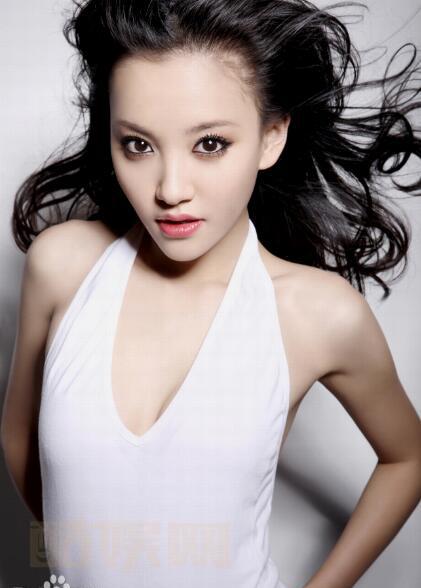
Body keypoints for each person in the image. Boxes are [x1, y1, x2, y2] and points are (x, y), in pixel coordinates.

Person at [2, 0, 421, 587]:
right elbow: (17, 435)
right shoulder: (62, 266)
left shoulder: (316, 314)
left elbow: (408, 457)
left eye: (210, 144)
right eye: (138, 145)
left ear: (271, 138)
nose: (171, 189)